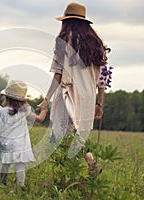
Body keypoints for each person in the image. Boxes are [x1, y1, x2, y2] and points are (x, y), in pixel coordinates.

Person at [38, 2, 111, 158]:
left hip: (69, 95)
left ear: (66, 22)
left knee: (59, 139)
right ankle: (85, 168)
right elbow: (102, 80)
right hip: (88, 98)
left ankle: (75, 169)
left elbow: (58, 74)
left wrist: (46, 99)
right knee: (78, 140)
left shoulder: (63, 41)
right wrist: (100, 104)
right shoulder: (96, 43)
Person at [0, 80, 48, 187]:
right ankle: (20, 186)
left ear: (6, 98)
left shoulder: (2, 111)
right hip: (19, 144)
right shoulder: (25, 110)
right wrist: (44, 110)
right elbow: (40, 119)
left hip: (5, 142)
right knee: (20, 165)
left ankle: (2, 183)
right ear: (22, 100)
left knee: (5, 163)